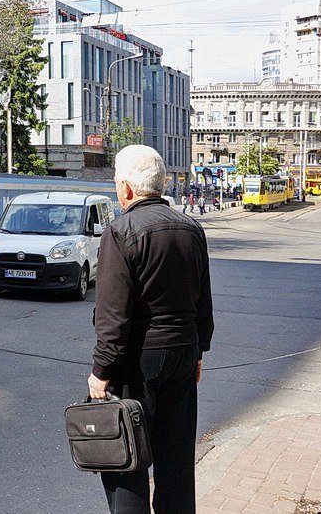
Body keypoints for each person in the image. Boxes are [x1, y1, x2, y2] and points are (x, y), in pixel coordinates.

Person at [88, 145, 214, 514]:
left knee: (126, 458)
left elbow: (113, 314)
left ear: (126, 188)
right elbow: (202, 301)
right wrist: (199, 352)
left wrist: (101, 370)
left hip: (138, 360)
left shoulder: (121, 230)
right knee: (175, 460)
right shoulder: (192, 228)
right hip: (183, 353)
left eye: (115, 182)